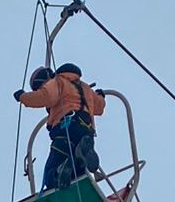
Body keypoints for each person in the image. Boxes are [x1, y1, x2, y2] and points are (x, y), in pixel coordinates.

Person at [14, 62, 107, 192]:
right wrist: (101, 96)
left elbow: (45, 97)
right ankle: (82, 153)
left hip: (65, 130)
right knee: (76, 170)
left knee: (50, 174)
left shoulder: (57, 82)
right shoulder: (85, 87)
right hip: (86, 130)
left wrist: (22, 97)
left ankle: (58, 174)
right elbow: (99, 107)